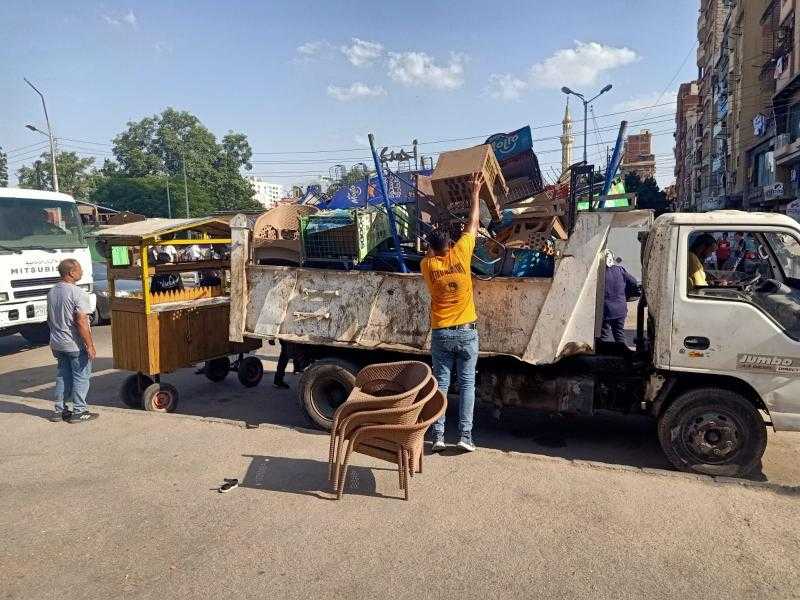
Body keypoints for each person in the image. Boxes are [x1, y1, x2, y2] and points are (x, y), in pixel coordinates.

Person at [421, 172, 482, 453]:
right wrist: (475, 193)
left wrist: (433, 249)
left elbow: (430, 254)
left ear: (432, 248)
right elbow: (473, 223)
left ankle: (438, 436)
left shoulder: (428, 266)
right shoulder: (462, 253)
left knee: (442, 385)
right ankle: (466, 437)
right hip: (467, 332)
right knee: (467, 385)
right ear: (451, 244)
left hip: (442, 333)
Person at [46, 259, 98, 423]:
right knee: (81, 377)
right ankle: (79, 411)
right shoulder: (78, 293)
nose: (82, 272)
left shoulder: (52, 292)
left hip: (57, 342)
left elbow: (49, 319)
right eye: (80, 269)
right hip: (74, 343)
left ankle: (59, 411)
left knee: (63, 376)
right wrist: (89, 345)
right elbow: (81, 321)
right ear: (71, 273)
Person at [601, 250, 639, 345]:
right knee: (619, 334)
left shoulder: (599, 274)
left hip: (606, 311)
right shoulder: (620, 270)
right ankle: (624, 355)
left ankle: (601, 356)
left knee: (603, 336)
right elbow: (634, 282)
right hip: (620, 310)